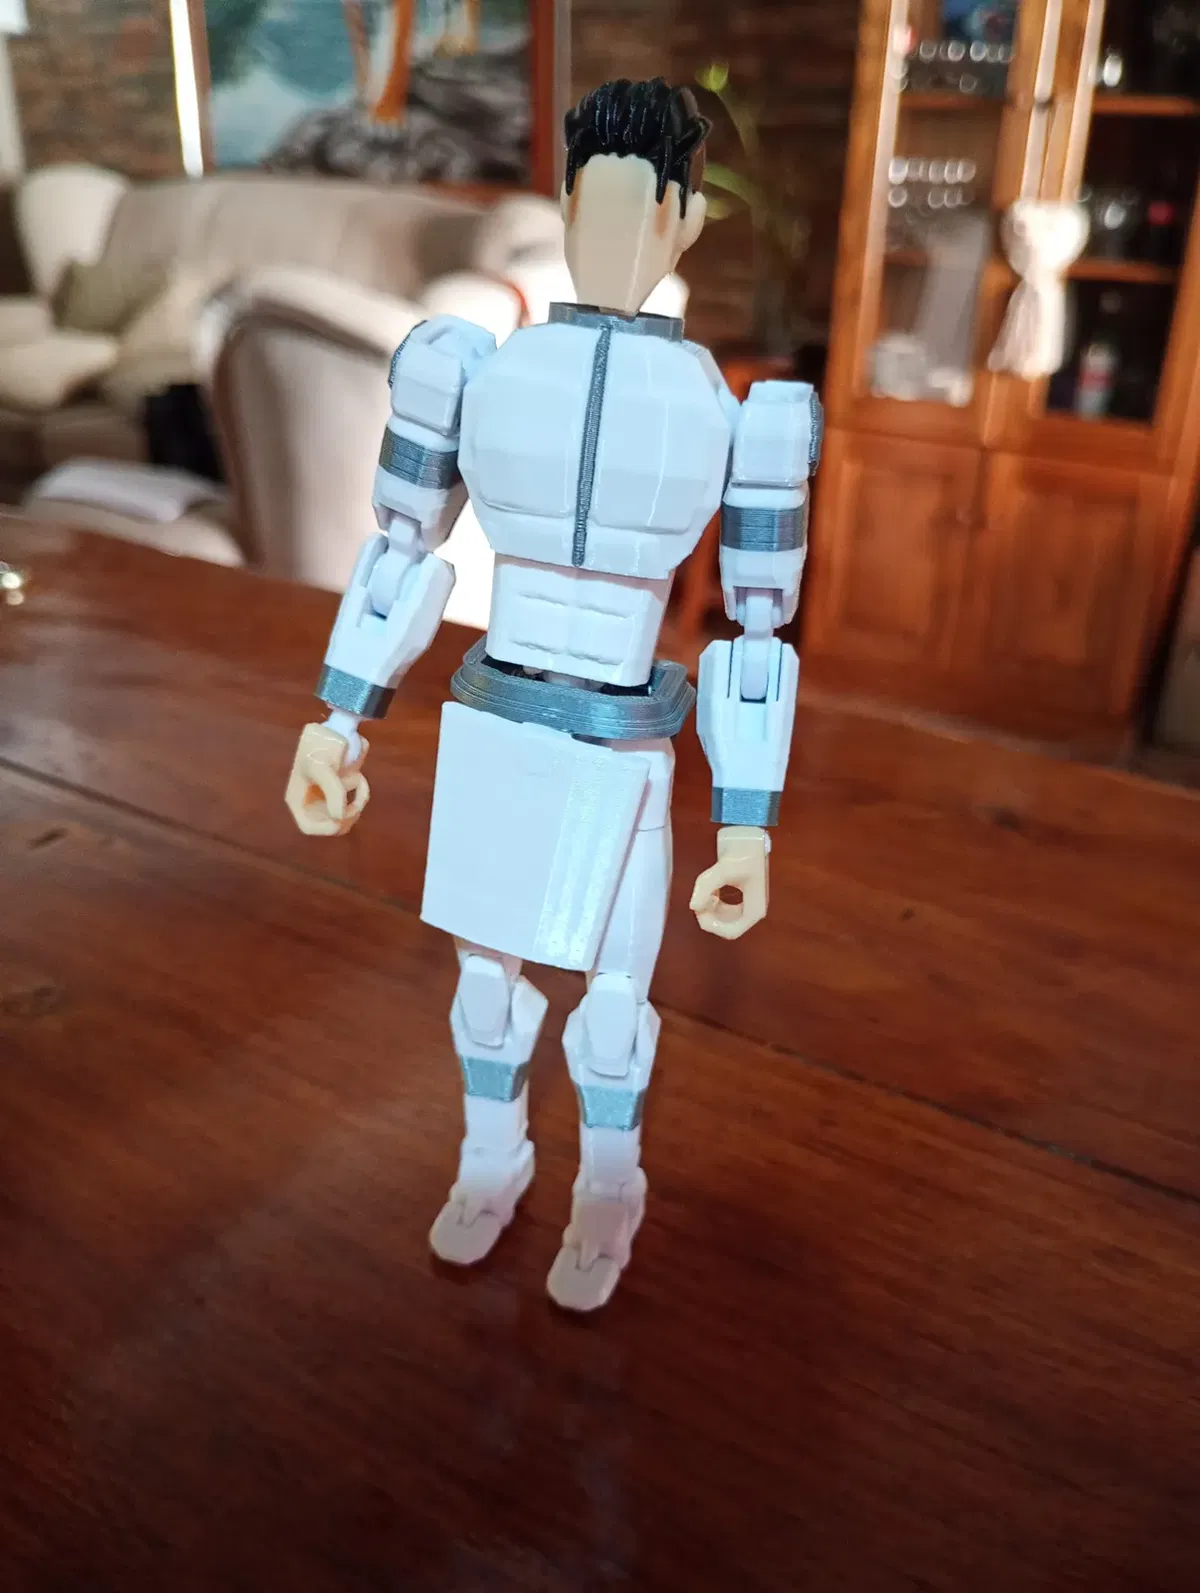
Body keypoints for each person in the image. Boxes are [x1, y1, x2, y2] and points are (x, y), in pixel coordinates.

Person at [285, 77, 822, 1311]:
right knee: (484, 988)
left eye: (650, 209)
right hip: (496, 725)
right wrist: (337, 719)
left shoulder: (740, 416)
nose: (623, 233)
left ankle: (610, 1186)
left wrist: (745, 824)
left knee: (615, 1004)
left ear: (686, 222)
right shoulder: (475, 370)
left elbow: (755, 631)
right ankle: (493, 1159)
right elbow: (400, 552)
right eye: (601, 202)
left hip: (623, 747)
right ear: (568, 201)